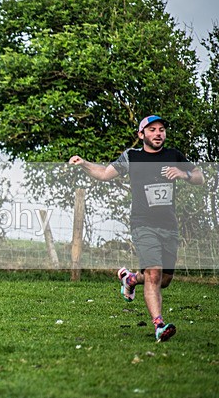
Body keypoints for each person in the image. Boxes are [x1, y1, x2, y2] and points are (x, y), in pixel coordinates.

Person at [69, 115, 204, 342]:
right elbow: (103, 174)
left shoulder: (174, 156)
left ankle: (131, 279)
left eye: (161, 129)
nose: (158, 133)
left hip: (169, 226)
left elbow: (200, 177)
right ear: (141, 135)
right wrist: (84, 164)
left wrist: (184, 174)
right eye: (152, 130)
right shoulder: (132, 157)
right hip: (143, 225)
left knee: (164, 280)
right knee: (154, 274)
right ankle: (159, 325)